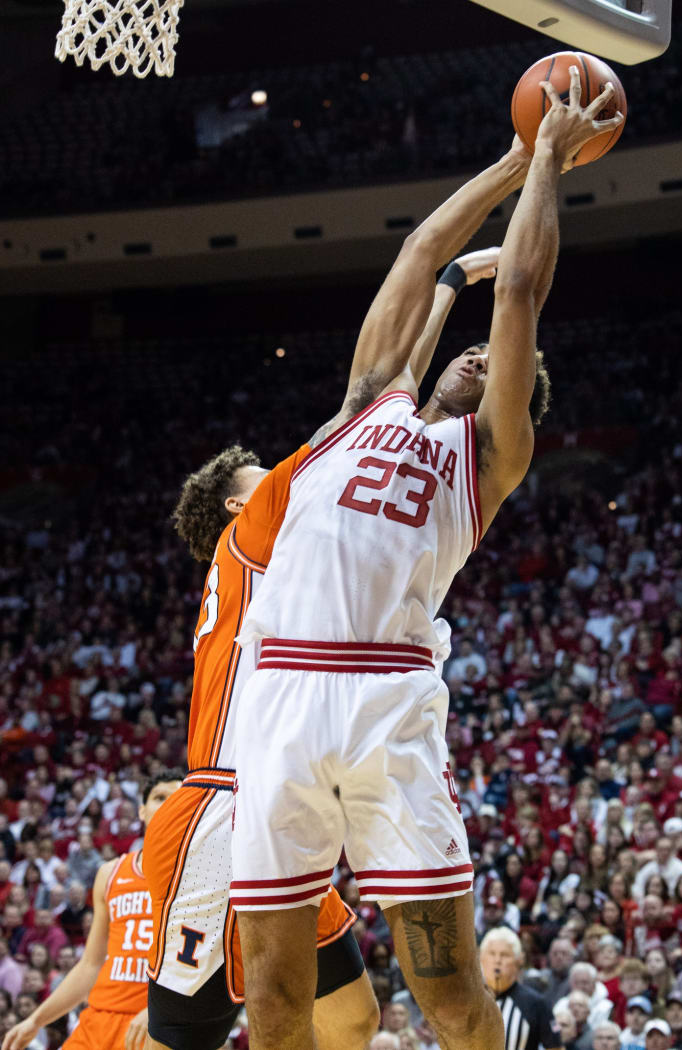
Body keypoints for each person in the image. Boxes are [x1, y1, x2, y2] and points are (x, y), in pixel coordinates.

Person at [229, 68, 622, 1050]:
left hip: (386, 707)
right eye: (480, 348)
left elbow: (522, 287)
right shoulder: (366, 401)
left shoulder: (487, 459)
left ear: (516, 406)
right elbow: (421, 250)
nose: (486, 356)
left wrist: (548, 164)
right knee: (274, 997)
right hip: (279, 698)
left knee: (446, 990)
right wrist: (507, 158)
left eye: (505, 365)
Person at [144, 242, 500, 1050]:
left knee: (351, 1016)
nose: (287, 472)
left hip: (288, 786)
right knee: (186, 1036)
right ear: (241, 507)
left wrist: (449, 294)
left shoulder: (279, 550)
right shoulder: (263, 526)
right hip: (225, 803)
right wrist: (445, 285)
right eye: (264, 475)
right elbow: (374, 402)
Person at [1, 770, 183, 1050]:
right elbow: (90, 965)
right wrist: (36, 1020)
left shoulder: (200, 878)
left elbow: (209, 971)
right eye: (160, 797)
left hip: (152, 1025)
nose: (170, 804)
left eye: (179, 798)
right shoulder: (110, 873)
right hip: (98, 1017)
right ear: (142, 811)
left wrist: (165, 1014)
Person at [481, 928, 563, 1050]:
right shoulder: (468, 1001)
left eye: (505, 955)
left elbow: (555, 1047)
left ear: (519, 960)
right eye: (492, 953)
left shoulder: (537, 1004)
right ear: (481, 958)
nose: (497, 961)